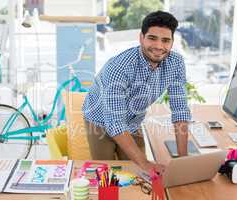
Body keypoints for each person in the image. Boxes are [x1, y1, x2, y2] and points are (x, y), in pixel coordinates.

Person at [82, 11, 191, 173]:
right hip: (100, 121)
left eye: (166, 40)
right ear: (141, 38)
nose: (159, 46)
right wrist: (146, 164)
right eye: (152, 38)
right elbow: (115, 123)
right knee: (108, 174)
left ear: (172, 42)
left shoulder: (176, 63)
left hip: (133, 120)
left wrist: (183, 160)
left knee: (139, 175)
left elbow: (180, 110)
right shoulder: (119, 68)